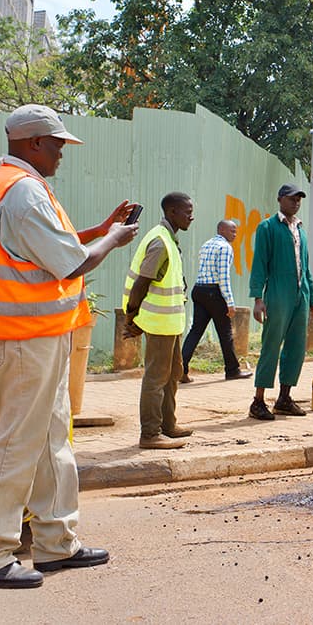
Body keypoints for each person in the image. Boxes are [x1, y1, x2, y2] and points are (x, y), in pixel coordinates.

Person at [0, 104, 138, 589]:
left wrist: (99, 233)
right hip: (24, 341)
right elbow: (71, 264)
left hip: (37, 338)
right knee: (18, 444)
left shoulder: (16, 187)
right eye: (58, 144)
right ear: (33, 143)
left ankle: (56, 543)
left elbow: (53, 248)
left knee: (50, 440)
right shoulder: (21, 193)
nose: (63, 153)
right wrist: (114, 241)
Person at [123, 192, 194, 450]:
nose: (192, 216)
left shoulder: (169, 239)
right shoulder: (161, 242)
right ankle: (150, 434)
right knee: (156, 378)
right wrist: (131, 317)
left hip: (171, 323)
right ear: (172, 212)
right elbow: (142, 282)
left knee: (174, 373)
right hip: (159, 322)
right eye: (187, 212)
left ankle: (167, 425)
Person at [248, 184, 313, 420]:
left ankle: (284, 398)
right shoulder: (268, 227)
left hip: (299, 295)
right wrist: (258, 298)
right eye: (292, 199)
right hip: (278, 293)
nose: (296, 202)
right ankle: (258, 401)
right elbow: (259, 264)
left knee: (296, 347)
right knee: (271, 345)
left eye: (299, 199)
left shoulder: (300, 229)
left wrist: (312, 301)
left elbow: (306, 268)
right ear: (280, 199)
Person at [180, 220, 252, 383]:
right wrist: (230, 303)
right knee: (225, 332)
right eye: (232, 231)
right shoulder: (225, 248)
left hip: (199, 290)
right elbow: (223, 276)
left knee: (195, 331)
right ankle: (232, 370)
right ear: (221, 230)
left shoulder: (206, 245)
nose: (235, 234)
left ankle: (180, 369)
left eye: (236, 231)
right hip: (214, 292)